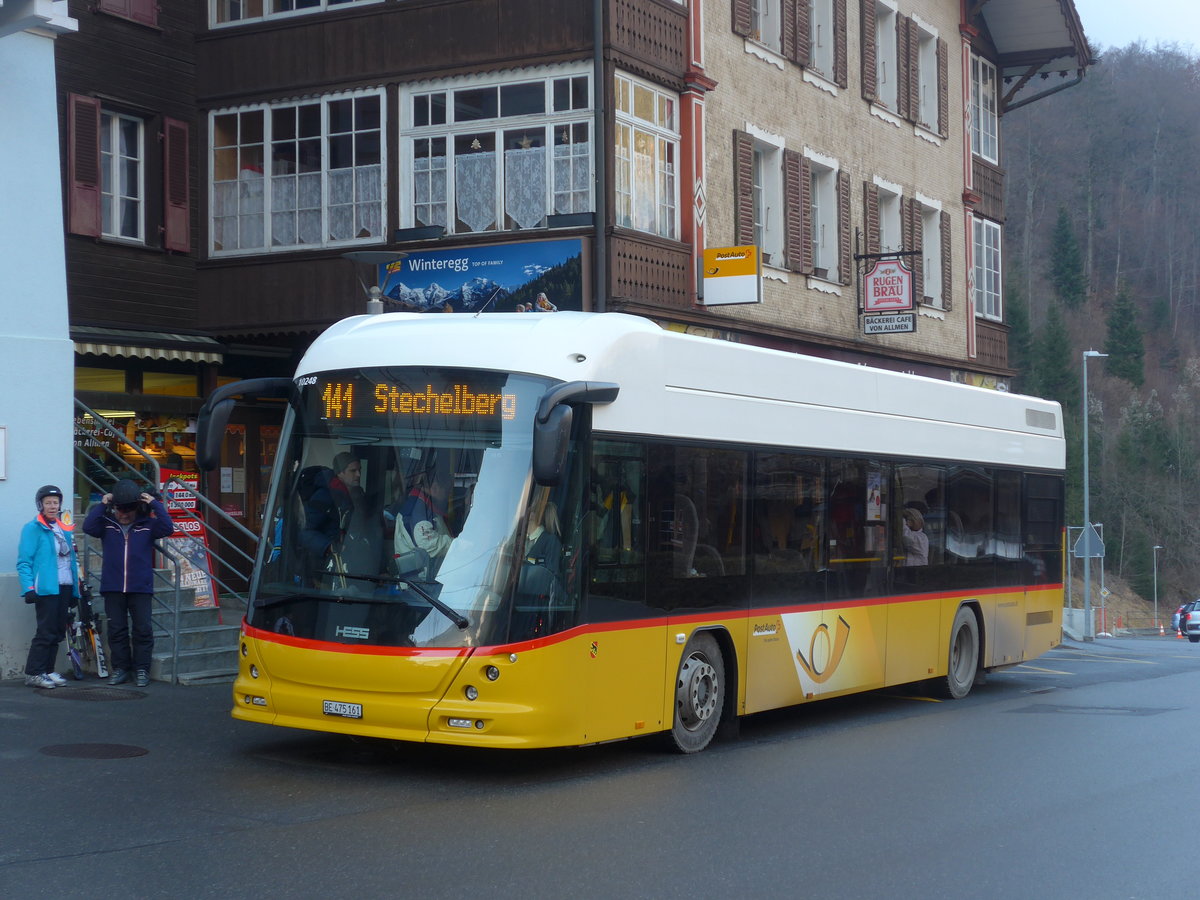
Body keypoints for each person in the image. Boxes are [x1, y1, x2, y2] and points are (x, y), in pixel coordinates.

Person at [83, 478, 174, 686]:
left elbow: (168, 527)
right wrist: (103, 503)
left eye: (128, 511)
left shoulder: (148, 525)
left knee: (142, 629)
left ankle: (142, 669)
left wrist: (153, 503)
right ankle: (121, 669)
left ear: (137, 509)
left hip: (140, 587)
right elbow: (88, 526)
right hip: (113, 586)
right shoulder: (107, 525)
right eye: (119, 510)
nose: (123, 515)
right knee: (117, 630)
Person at [17, 485, 81, 689]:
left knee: (57, 632)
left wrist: (75, 589)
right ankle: (34, 673)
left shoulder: (64, 528)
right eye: (48, 503)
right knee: (45, 632)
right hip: (46, 587)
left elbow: (72, 559)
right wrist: (28, 588)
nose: (53, 506)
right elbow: (24, 561)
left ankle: (47, 669)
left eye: (55, 503)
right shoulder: (32, 528)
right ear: (40, 505)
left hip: (65, 584)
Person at [396, 463, 454, 579]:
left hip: (422, 581)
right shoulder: (419, 511)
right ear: (435, 488)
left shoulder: (424, 505)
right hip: (419, 585)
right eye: (447, 489)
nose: (449, 494)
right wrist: (457, 544)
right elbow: (427, 545)